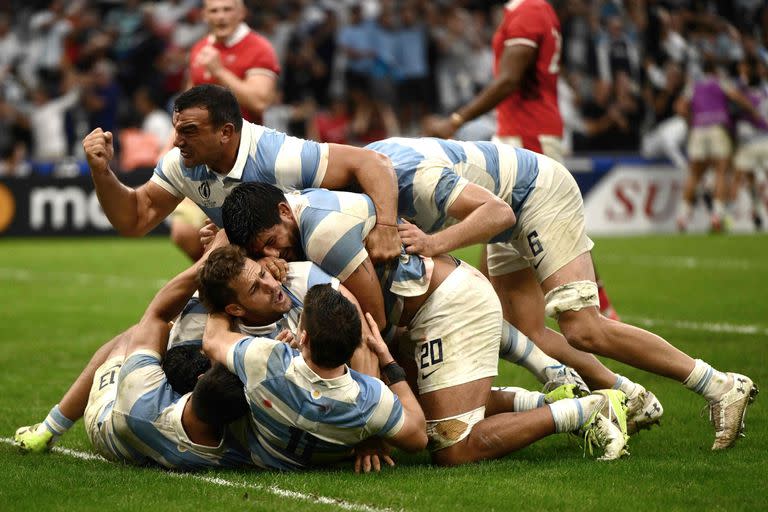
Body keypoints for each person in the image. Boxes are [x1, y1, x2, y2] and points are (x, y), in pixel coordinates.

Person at [364, 136, 758, 451]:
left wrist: (432, 244)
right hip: (511, 200)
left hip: (536, 194)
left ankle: (720, 385)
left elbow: (498, 212)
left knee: (584, 328)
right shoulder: (370, 173)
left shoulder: (407, 174)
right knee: (526, 331)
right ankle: (628, 395)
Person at [218, 183, 629, 463]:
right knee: (425, 402)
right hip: (435, 300)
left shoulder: (320, 237)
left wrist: (370, 432)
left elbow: (368, 326)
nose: (276, 253)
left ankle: (588, 410)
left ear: (284, 211)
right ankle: (544, 400)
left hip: (449, 305)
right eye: (262, 251)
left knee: (450, 446)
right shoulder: (299, 219)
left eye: (272, 243)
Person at [423, 0, 619, 320]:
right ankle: (483, 310)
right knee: (495, 223)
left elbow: (510, 79)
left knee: (543, 225)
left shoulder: (529, 9)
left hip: (528, 135)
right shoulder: (530, 9)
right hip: (522, 131)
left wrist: (455, 119)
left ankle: (600, 310)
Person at [82, 84, 401, 265]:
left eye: (189, 132)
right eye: (177, 130)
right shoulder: (181, 164)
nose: (177, 141)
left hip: (339, 263)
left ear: (226, 132)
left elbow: (373, 163)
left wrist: (386, 225)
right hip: (275, 275)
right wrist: (102, 172)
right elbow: (135, 219)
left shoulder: (279, 157)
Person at [15, 242, 257, 470]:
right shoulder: (243, 447)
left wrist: (208, 260)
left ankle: (48, 430)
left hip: (106, 417)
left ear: (202, 379)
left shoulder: (142, 399)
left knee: (134, 335)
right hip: (179, 422)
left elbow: (157, 317)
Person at [201, 278, 428, 470]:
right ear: (355, 344)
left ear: (304, 338)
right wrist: (389, 363)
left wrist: (219, 293)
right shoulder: (371, 400)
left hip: (260, 457)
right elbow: (418, 438)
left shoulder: (265, 359)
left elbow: (212, 340)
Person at [171, 0, 282, 260]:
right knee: (184, 232)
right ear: (204, 15)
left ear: (242, 12)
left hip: (246, 162)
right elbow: (187, 104)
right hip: (202, 162)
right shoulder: (200, 48)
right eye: (214, 10)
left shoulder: (259, 48)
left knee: (247, 243)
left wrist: (219, 71)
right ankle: (220, 284)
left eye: (227, 9)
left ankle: (234, 286)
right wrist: (170, 146)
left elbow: (260, 100)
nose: (221, 16)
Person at [677, 53, 762, 232]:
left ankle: (683, 217)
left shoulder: (693, 84)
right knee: (721, 172)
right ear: (714, 68)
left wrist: (692, 121)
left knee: (694, 174)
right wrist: (752, 110)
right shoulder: (720, 80)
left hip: (698, 129)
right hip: (717, 128)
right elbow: (735, 96)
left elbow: (680, 107)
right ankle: (717, 216)